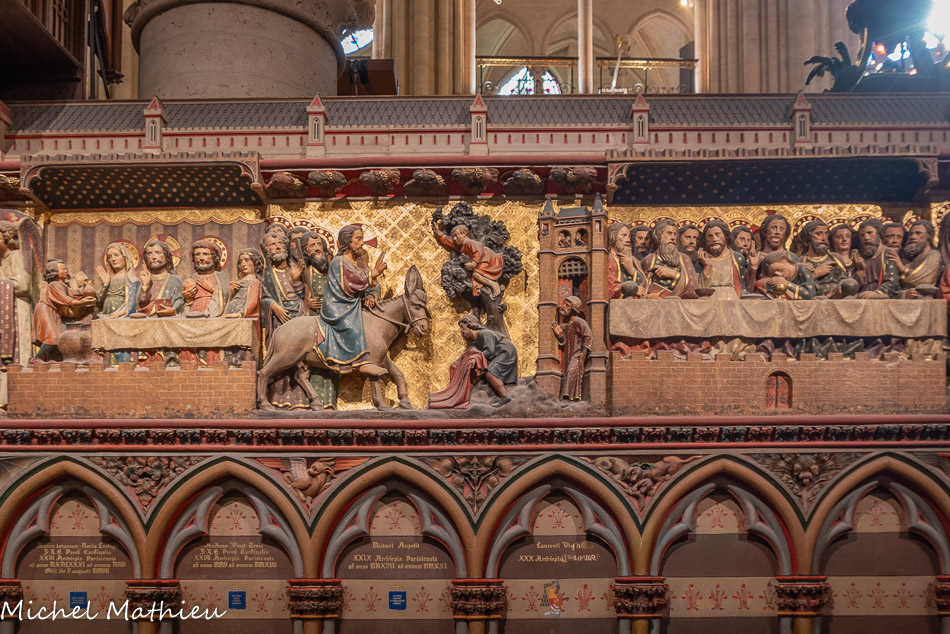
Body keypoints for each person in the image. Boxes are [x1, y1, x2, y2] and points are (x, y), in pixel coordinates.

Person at [316, 224, 388, 375]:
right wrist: (374, 272)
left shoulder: (358, 262)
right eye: (358, 239)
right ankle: (361, 362)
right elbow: (354, 280)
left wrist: (372, 295)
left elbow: (371, 284)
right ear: (348, 241)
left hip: (352, 305)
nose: (362, 243)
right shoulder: (339, 261)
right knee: (352, 325)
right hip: (338, 306)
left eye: (362, 239)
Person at [429, 314, 517, 409]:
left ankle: (504, 396)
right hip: (499, 354)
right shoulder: (476, 340)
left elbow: (490, 351)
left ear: (470, 325)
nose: (461, 331)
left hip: (506, 352)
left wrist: (476, 359)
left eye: (463, 327)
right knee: (486, 371)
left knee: (490, 372)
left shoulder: (484, 333)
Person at [295, 230, 337, 409]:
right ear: (306, 251)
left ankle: (329, 402)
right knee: (314, 357)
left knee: (331, 360)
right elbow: (297, 295)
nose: (317, 248)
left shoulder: (332, 269)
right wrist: (308, 302)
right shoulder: (307, 272)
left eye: (319, 244)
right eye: (312, 246)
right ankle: (311, 400)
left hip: (331, 319)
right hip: (313, 319)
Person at [32, 260, 97, 362]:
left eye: (66, 268)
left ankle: (50, 359)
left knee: (60, 336)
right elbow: (66, 299)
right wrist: (83, 302)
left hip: (54, 312)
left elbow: (74, 293)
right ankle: (37, 358)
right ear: (55, 272)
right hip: (45, 310)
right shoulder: (54, 285)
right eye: (63, 269)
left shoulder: (63, 285)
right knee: (53, 337)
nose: (66, 271)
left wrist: (86, 289)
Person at [432, 221, 504, 298]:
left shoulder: (470, 242)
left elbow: (478, 251)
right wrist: (437, 232)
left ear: (464, 233)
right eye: (453, 237)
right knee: (474, 276)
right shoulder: (459, 246)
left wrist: (473, 263)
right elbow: (447, 240)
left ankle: (493, 285)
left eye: (456, 235)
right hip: (481, 261)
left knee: (476, 275)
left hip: (486, 257)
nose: (454, 239)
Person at [223, 249, 263, 366]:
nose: (243, 264)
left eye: (247, 260)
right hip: (231, 320)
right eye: (241, 261)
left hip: (243, 319)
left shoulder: (255, 282)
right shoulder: (237, 282)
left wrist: (239, 314)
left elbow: (253, 302)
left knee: (241, 349)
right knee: (230, 346)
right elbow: (227, 302)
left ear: (255, 263)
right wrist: (231, 293)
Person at [0, 221, 32, 367]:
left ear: (7, 239)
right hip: (5, 307)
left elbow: (23, 285)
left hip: (17, 306)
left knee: (19, 347)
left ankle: (20, 369)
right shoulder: (2, 261)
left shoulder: (16, 256)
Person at [640, 219, 698, 297]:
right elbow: (641, 289)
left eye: (675, 234)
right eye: (669, 233)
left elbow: (694, 289)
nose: (673, 238)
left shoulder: (685, 259)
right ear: (658, 236)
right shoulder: (649, 260)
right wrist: (647, 296)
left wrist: (675, 275)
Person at [552, 296, 591, 401]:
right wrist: (560, 336)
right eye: (564, 304)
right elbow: (563, 344)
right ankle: (571, 396)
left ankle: (568, 396)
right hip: (568, 354)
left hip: (577, 354)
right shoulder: (563, 325)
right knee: (568, 372)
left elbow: (588, 336)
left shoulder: (579, 322)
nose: (563, 307)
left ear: (573, 309)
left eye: (567, 305)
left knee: (571, 370)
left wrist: (583, 354)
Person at [697, 219, 746, 299]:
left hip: (732, 299)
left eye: (717, 235)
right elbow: (700, 288)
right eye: (710, 236)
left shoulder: (737, 258)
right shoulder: (701, 259)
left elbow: (742, 285)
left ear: (725, 236)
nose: (714, 239)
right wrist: (707, 266)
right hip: (710, 301)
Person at [799, 220, 850, 297]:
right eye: (819, 234)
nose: (823, 238)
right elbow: (797, 287)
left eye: (826, 234)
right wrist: (814, 275)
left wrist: (839, 289)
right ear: (808, 237)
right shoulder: (802, 261)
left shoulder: (834, 257)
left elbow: (843, 278)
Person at [893, 219, 940, 298]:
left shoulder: (934, 255)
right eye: (910, 234)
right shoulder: (909, 258)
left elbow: (923, 280)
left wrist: (902, 269)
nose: (912, 237)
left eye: (918, 233)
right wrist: (903, 293)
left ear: (929, 236)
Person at [136, 239, 184, 317]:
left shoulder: (175, 280)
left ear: (166, 256)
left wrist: (173, 310)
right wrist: (145, 285)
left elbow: (180, 300)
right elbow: (141, 304)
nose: (153, 257)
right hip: (145, 322)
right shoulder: (141, 280)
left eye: (157, 253)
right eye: (149, 254)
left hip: (168, 320)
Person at [855, 218, 900, 299]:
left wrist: (876, 293)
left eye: (870, 233)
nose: (866, 238)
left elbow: (892, 282)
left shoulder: (887, 253)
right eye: (862, 235)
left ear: (879, 233)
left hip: (879, 296)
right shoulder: (862, 256)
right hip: (863, 295)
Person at [182, 240, 229, 317]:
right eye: (197, 254)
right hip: (193, 315)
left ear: (213, 258)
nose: (201, 258)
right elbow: (181, 306)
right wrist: (187, 299)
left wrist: (212, 289)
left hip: (213, 316)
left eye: (205, 254)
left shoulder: (220, 277)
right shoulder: (191, 278)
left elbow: (227, 297)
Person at [95, 242, 141, 319]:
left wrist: (120, 313)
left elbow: (132, 302)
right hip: (105, 313)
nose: (113, 259)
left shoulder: (132, 280)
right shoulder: (108, 279)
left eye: (116, 255)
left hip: (122, 316)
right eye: (109, 257)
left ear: (125, 257)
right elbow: (98, 301)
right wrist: (105, 284)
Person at [606, 222, 646, 299]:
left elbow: (644, 286)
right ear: (613, 237)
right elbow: (610, 288)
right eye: (624, 236)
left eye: (629, 236)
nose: (628, 240)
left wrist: (632, 271)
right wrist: (633, 290)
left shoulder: (634, 261)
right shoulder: (609, 260)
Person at [731, 225, 759, 293]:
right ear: (733, 240)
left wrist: (753, 267)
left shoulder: (750, 262)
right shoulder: (728, 260)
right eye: (742, 239)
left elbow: (749, 289)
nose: (746, 244)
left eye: (748, 240)